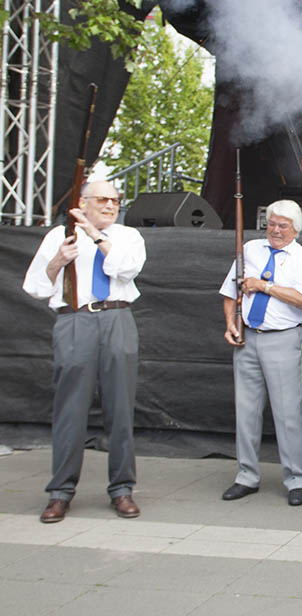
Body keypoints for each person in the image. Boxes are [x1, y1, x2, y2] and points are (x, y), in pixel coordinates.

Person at [23, 180, 146, 523]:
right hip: (74, 320)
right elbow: (35, 286)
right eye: (103, 199)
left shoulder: (126, 236)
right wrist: (57, 262)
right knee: (70, 409)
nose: (111, 205)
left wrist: (93, 232)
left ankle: (122, 489)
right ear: (83, 201)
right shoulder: (59, 236)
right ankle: (60, 492)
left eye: (116, 200)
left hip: (117, 317)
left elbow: (125, 268)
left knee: (121, 407)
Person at [219, 199, 302, 506]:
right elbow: (230, 291)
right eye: (271, 224)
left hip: (282, 339)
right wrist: (230, 324)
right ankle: (246, 476)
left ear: (295, 230)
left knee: (288, 413)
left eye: (282, 226)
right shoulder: (250, 249)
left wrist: (264, 286)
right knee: (245, 411)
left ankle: (297, 479)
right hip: (248, 337)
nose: (274, 230)